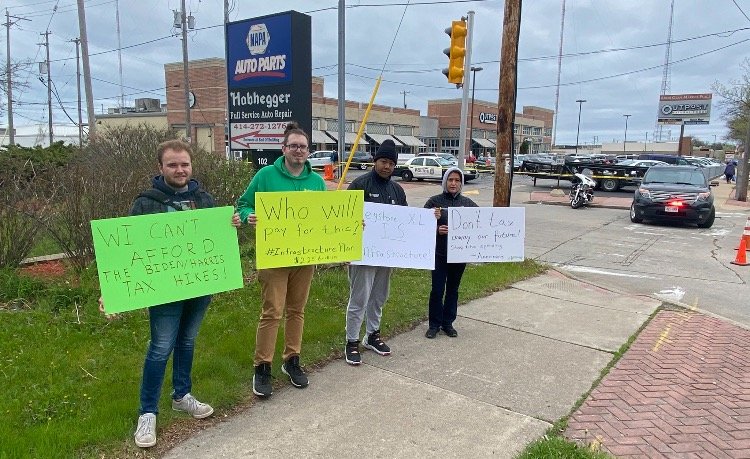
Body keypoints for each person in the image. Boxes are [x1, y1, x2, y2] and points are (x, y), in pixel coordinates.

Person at [99, 139, 241, 449]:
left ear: (192, 166)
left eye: (184, 164)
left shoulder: (204, 199)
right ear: (160, 167)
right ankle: (147, 412)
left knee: (187, 341)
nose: (180, 170)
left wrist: (231, 223)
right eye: (173, 164)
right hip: (164, 291)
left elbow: (218, 238)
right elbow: (125, 249)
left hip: (200, 285)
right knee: (161, 347)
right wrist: (111, 291)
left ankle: (181, 395)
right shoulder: (145, 203)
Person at [236, 121, 327, 397]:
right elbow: (243, 204)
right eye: (294, 146)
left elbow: (326, 217)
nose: (299, 150)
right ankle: (262, 366)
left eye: (303, 147)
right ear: (284, 148)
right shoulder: (265, 175)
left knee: (297, 310)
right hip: (274, 257)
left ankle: (291, 360)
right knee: (272, 311)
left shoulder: (317, 182)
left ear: (308, 151)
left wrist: (348, 227)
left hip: (305, 257)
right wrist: (248, 216)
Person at [344, 139, 407, 365]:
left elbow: (406, 221)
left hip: (386, 255)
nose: (387, 166)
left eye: (391, 163)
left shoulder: (397, 190)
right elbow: (343, 217)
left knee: (379, 297)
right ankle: (352, 341)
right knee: (359, 298)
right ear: (375, 161)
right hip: (362, 254)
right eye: (383, 161)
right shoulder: (359, 185)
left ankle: (372, 335)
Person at [423, 167, 478, 339]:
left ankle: (448, 323)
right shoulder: (434, 202)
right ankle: (434, 325)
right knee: (437, 290)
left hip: (459, 256)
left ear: (461, 183)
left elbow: (480, 225)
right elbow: (420, 226)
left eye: (457, 180)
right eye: (450, 180)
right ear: (445, 181)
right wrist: (436, 228)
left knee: (453, 290)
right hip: (439, 255)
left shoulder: (468, 204)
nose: (453, 183)